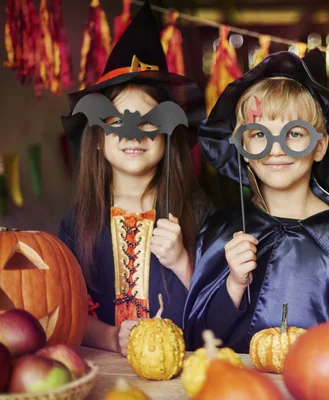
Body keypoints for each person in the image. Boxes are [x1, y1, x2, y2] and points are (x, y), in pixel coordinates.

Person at [184, 50, 329, 357]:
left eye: (294, 133)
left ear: (320, 146)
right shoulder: (222, 232)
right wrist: (232, 284)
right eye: (259, 134)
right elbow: (198, 344)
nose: (276, 149)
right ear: (242, 146)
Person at [58, 0, 211, 357]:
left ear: (169, 135)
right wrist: (111, 338)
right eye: (116, 122)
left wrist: (183, 264)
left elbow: (221, 314)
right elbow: (64, 310)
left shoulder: (198, 212)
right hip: (103, 373)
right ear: (96, 140)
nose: (132, 135)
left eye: (147, 122)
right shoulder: (77, 222)